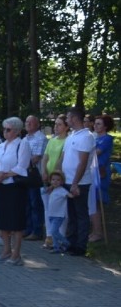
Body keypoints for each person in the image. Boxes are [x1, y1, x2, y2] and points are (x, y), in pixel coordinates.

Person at [0, 116, 32, 266]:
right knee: (2, 219)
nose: (5, 132)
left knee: (15, 220)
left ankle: (16, 253)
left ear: (17, 131)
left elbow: (22, 166)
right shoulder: (1, 146)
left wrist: (4, 175)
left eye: (8, 129)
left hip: (14, 187)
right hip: (0, 186)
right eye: (4, 129)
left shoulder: (22, 144)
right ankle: (6, 250)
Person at [58, 107, 95, 256]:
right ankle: (70, 243)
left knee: (80, 214)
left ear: (74, 118)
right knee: (71, 214)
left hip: (79, 182)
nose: (66, 120)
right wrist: (59, 175)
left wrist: (75, 183)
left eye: (68, 118)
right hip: (67, 180)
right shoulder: (72, 135)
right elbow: (64, 157)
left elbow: (83, 162)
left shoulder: (86, 136)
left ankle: (81, 246)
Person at [40, 115, 69, 249]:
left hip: (58, 180)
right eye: (55, 124)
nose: (56, 127)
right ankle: (49, 236)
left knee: (61, 210)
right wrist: (44, 172)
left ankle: (59, 236)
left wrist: (55, 178)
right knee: (48, 209)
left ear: (66, 127)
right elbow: (45, 157)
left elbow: (60, 160)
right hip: (49, 179)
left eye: (59, 125)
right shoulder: (52, 140)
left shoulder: (67, 141)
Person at [23, 115, 48, 240]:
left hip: (35, 175)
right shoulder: (25, 138)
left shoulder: (41, 138)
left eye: (30, 122)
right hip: (25, 175)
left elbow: (36, 157)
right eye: (26, 122)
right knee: (27, 202)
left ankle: (37, 230)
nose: (27, 124)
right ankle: (28, 228)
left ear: (37, 124)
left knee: (35, 203)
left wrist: (21, 163)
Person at [90, 114, 114, 241]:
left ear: (105, 126)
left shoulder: (107, 139)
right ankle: (94, 230)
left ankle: (99, 232)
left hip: (100, 173)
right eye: (95, 123)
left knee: (97, 202)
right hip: (91, 172)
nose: (95, 125)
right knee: (92, 202)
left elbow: (96, 152)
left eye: (99, 124)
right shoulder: (93, 138)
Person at [45, 172, 73, 253]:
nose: (55, 182)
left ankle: (66, 243)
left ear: (62, 182)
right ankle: (56, 247)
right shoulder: (53, 190)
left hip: (59, 215)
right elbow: (44, 191)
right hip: (51, 214)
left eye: (58, 180)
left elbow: (70, 195)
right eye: (53, 180)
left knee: (54, 231)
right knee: (54, 233)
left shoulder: (62, 190)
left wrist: (73, 193)